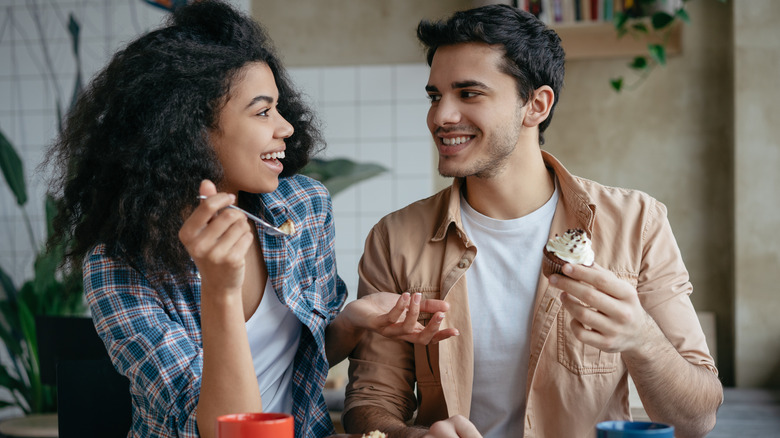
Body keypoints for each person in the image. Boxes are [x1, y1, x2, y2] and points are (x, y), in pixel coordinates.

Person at [43, 2, 454, 437]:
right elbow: (219, 429)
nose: (286, 127)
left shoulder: (304, 208)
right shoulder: (119, 267)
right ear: (188, 129)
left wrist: (351, 321)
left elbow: (300, 359)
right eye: (262, 112)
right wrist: (221, 289)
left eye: (279, 107)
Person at [342, 4, 723, 438]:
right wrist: (415, 436)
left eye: (468, 94)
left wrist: (641, 338)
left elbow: (697, 420)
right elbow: (370, 403)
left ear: (536, 105)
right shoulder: (394, 239)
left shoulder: (638, 223)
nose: (440, 116)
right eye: (435, 96)